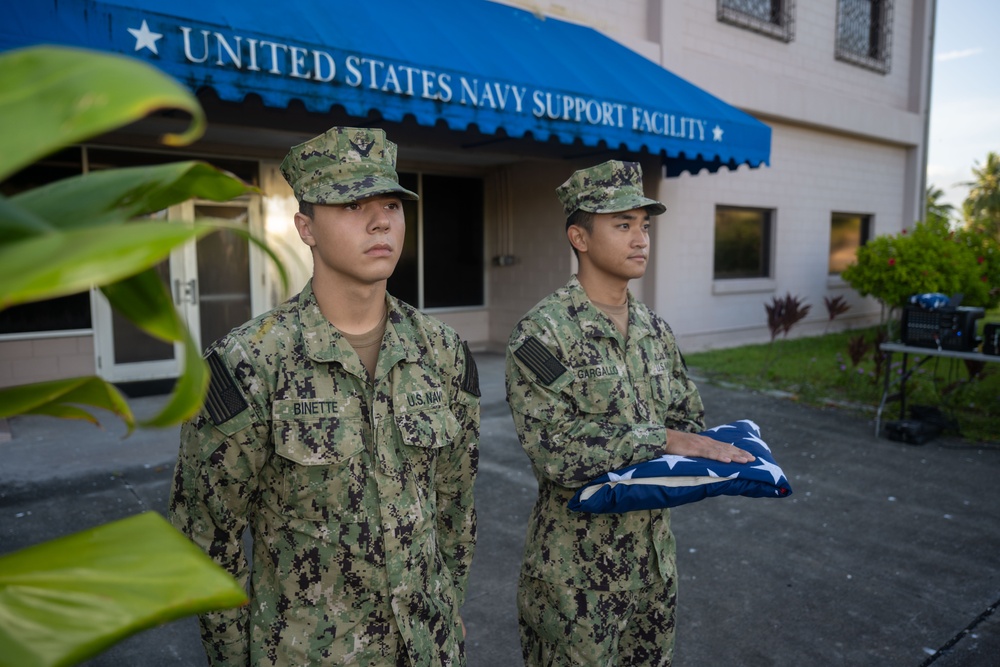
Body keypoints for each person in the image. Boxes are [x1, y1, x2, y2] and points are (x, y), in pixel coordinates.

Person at [169, 126, 480, 666]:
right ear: (306, 228)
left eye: (391, 204)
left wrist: (446, 610)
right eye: (354, 204)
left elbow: (454, 507)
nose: (381, 220)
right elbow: (206, 537)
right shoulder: (248, 364)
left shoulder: (443, 352)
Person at [505, 160, 755, 666]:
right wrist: (657, 439)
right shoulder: (542, 334)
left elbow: (688, 420)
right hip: (575, 576)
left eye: (644, 225)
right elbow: (555, 450)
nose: (641, 238)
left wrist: (678, 439)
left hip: (653, 566)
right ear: (579, 236)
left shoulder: (655, 330)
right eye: (623, 225)